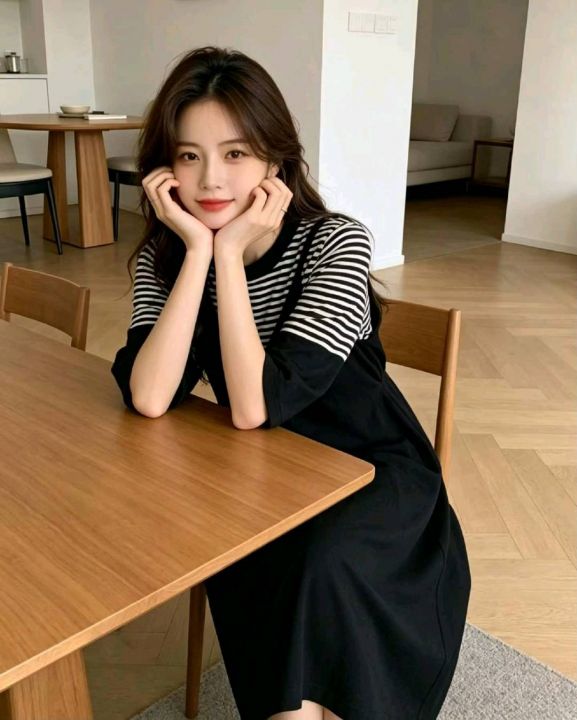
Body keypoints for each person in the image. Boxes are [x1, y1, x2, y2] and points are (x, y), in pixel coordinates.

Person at [112, 46, 471, 720]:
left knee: (319, 564)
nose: (210, 178)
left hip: (369, 466)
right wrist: (199, 253)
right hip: (259, 468)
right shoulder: (166, 258)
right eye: (188, 156)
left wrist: (227, 258)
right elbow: (150, 395)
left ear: (274, 161)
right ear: (164, 169)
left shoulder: (334, 242)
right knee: (239, 551)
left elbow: (254, 404)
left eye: (236, 153)